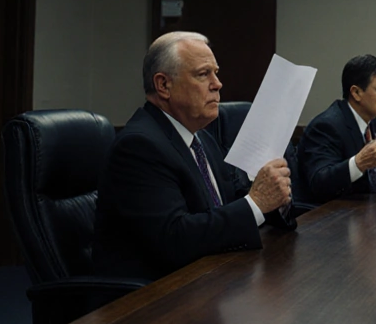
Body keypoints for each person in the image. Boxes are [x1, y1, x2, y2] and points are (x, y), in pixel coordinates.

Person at [93, 32, 293, 281]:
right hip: (153, 300)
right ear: (163, 85)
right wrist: (257, 203)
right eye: (203, 74)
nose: (217, 83)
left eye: (216, 72)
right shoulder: (139, 146)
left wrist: (275, 198)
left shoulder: (201, 139)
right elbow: (175, 239)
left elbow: (230, 203)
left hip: (207, 280)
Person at [296, 55, 376, 204]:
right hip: (332, 220)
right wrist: (358, 163)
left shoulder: (375, 122)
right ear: (356, 93)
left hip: (371, 214)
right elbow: (319, 183)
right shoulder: (326, 126)